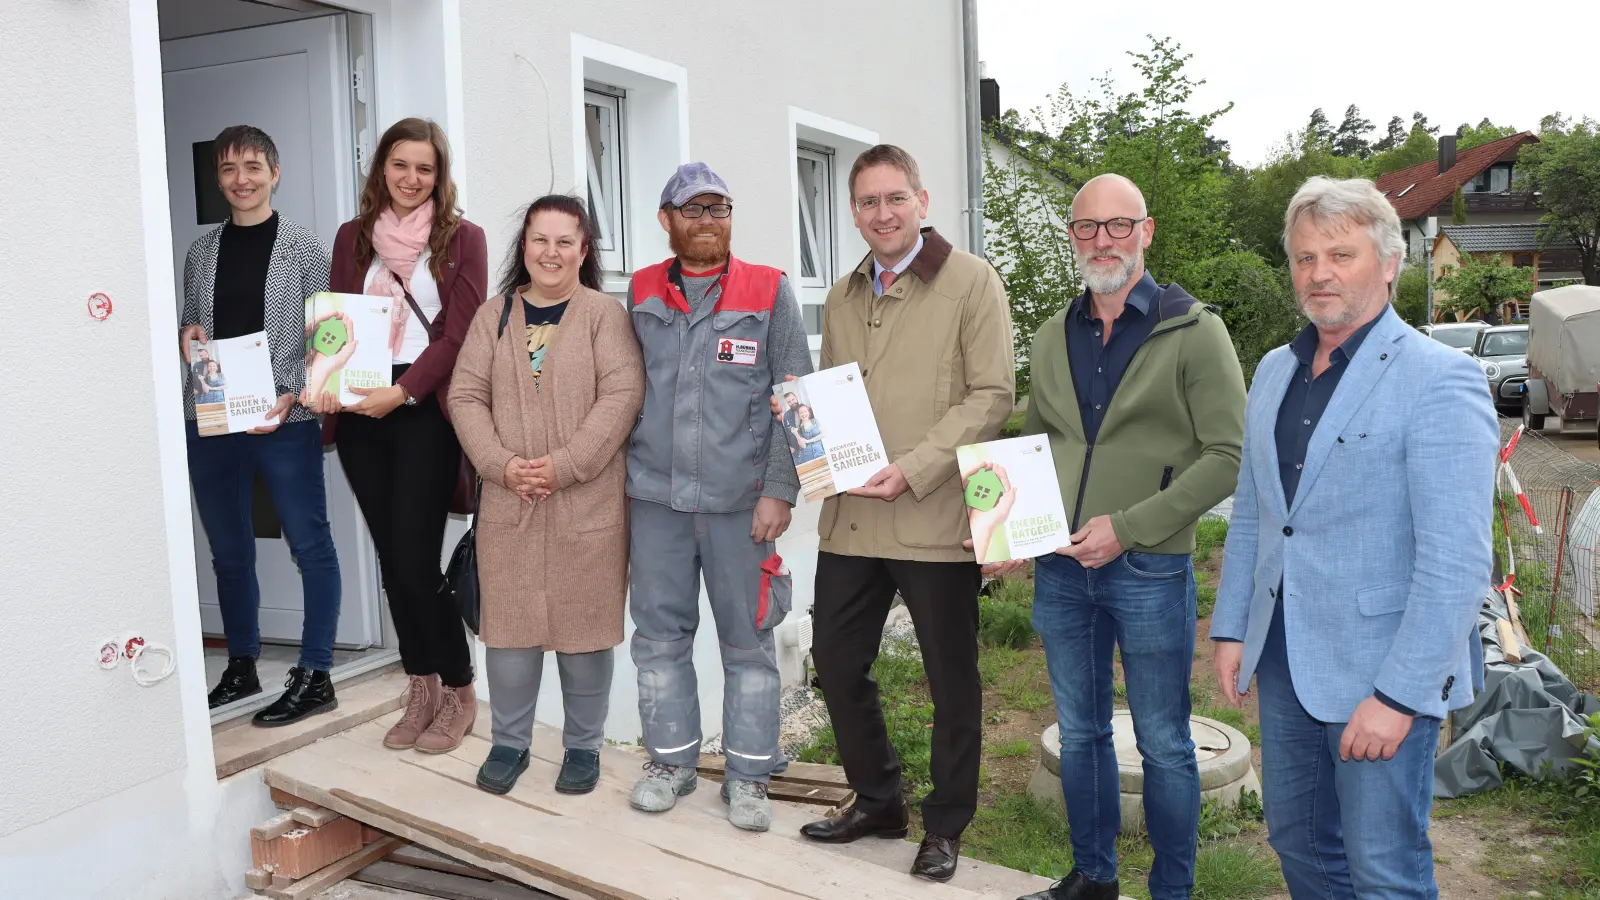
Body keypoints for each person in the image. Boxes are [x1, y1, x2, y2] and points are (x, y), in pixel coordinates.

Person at [1211, 176, 1497, 899]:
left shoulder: (1441, 380)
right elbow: (1255, 512)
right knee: (1298, 843)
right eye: (1305, 258)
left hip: (1379, 671)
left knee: (1384, 870)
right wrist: (1231, 628)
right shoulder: (1275, 371)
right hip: (1284, 660)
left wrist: (1399, 697)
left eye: (1340, 254)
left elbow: (1456, 562)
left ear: (1391, 263)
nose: (1320, 273)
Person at [999, 173, 1247, 900]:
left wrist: (1129, 528)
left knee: (1166, 744)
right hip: (1061, 570)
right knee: (1080, 734)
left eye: (1118, 225)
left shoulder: (1195, 331)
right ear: (1072, 237)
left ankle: (1173, 889)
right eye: (1086, 227)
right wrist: (1012, 521)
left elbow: (1228, 456)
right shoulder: (1053, 334)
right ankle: (1093, 878)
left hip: (1149, 570)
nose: (1102, 240)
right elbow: (1036, 440)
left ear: (1147, 231)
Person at [794, 144, 1014, 884]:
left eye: (895, 199)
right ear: (852, 212)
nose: (881, 214)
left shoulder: (972, 281)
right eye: (867, 202)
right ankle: (879, 800)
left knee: (952, 679)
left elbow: (992, 396)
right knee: (835, 660)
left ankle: (946, 824)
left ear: (922, 200)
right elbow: (837, 395)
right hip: (853, 520)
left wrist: (915, 467)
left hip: (936, 514)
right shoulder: (841, 296)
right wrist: (803, 417)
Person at [625, 162, 813, 832]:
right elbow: (624, 388)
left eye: (720, 208)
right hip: (655, 501)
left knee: (749, 641)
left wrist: (781, 491)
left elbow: (795, 393)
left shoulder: (769, 290)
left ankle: (749, 777)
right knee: (658, 639)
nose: (708, 220)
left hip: (742, 506)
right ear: (667, 219)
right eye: (693, 208)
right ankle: (671, 765)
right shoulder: (641, 291)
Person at [448, 195, 644, 796]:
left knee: (584, 630)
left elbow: (622, 395)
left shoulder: (603, 315)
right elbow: (464, 396)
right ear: (524, 247)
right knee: (509, 630)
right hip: (510, 503)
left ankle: (582, 748)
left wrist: (564, 466)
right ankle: (510, 743)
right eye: (540, 240)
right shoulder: (494, 316)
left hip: (588, 502)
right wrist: (501, 466)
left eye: (565, 241)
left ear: (584, 251)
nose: (551, 253)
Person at [308, 117, 488, 754]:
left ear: (440, 176)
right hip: (360, 408)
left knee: (415, 560)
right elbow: (337, 322)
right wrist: (325, 379)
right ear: (381, 168)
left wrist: (404, 390)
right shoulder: (352, 238)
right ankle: (421, 685)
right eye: (400, 165)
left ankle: (460, 690)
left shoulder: (464, 239)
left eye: (425, 169)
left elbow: (461, 336)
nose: (412, 179)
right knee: (393, 559)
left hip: (423, 408)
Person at [178, 124, 343, 725]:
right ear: (218, 179)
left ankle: (317, 671)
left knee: (310, 544)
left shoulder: (303, 248)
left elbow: (327, 337)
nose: (240, 180)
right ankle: (242, 668)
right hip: (215, 418)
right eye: (228, 169)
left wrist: (297, 393)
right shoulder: (200, 252)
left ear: (275, 174)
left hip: (285, 416)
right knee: (228, 550)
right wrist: (185, 338)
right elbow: (193, 326)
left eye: (252, 167)